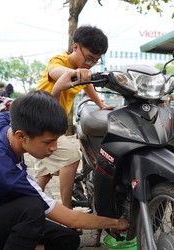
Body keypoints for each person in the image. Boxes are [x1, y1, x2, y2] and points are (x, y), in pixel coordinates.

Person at [0, 90, 129, 250]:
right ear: (21, 136)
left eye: (56, 140)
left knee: (68, 239)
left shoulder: (3, 122)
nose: (54, 147)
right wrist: (115, 222)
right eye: (48, 142)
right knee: (31, 208)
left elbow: (31, 107)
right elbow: (72, 219)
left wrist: (57, 90)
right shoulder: (4, 171)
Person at [34, 25, 114, 209]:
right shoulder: (60, 61)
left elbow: (87, 85)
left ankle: (32, 208)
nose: (89, 64)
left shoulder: (81, 69)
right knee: (71, 157)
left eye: (95, 61)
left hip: (51, 124)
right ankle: (67, 209)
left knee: (43, 175)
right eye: (88, 58)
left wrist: (101, 104)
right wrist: (73, 73)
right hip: (40, 122)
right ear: (75, 47)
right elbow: (55, 71)